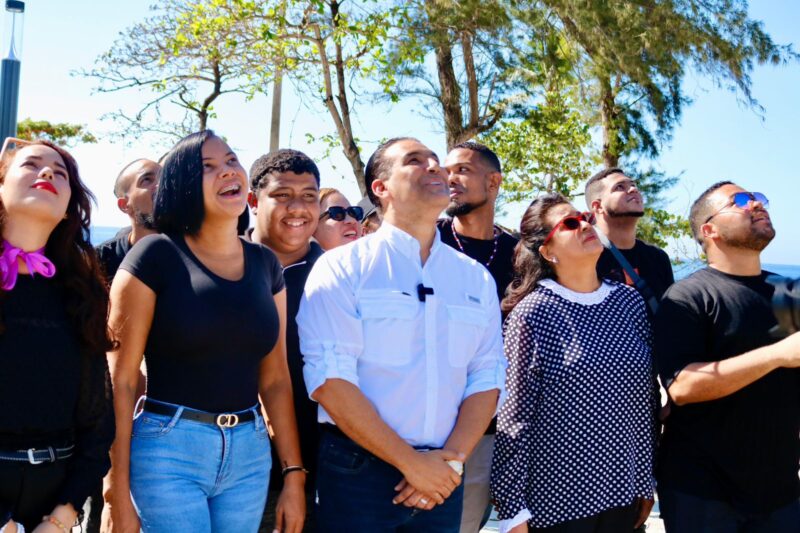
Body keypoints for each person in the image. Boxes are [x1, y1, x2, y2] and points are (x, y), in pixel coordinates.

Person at [297, 137, 506, 532]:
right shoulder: (341, 268)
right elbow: (331, 380)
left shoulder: (474, 278)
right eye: (415, 161)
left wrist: (451, 461)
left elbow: (487, 376)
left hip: (444, 475)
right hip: (358, 473)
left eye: (435, 161)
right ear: (381, 188)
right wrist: (412, 465)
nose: (435, 167)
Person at [104, 130, 305, 533]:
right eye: (207, 167)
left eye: (231, 161)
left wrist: (294, 475)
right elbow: (121, 380)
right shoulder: (154, 256)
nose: (227, 172)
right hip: (168, 451)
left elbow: (276, 378)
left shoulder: (266, 265)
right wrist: (115, 490)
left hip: (249, 454)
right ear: (180, 186)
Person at [491, 193, 657, 533]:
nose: (584, 224)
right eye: (569, 223)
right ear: (548, 251)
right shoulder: (533, 312)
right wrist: (511, 511)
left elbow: (644, 402)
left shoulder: (629, 301)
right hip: (557, 505)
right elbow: (513, 418)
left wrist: (644, 479)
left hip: (624, 497)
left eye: (583, 216)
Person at [654, 181, 800, 531]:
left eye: (758, 198)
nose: (756, 205)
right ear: (709, 230)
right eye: (741, 201)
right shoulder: (687, 296)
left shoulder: (788, 292)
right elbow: (682, 386)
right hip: (703, 493)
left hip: (780, 491)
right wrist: (776, 355)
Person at [0, 138, 115, 533]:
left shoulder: (82, 292)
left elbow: (97, 423)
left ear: (69, 209)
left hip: (56, 502)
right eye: (30, 165)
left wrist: (62, 516)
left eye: (60, 172)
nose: (47, 172)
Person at [439, 141, 518, 533]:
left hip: (491, 428)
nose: (449, 178)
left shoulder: (520, 254)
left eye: (463, 170)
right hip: (424, 425)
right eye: (446, 170)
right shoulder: (427, 240)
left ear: (493, 182)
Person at [246, 148, 324, 532]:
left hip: (320, 472)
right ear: (252, 200)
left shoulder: (338, 276)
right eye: (282, 195)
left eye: (309, 196)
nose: (298, 208)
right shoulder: (220, 267)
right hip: (234, 470)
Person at [584, 167, 674, 306]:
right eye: (619, 187)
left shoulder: (658, 258)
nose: (633, 190)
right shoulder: (586, 258)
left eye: (633, 185)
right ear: (598, 206)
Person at [95, 159, 160, 283]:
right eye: (147, 180)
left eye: (165, 177)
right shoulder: (100, 261)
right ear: (124, 205)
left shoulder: (195, 252)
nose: (161, 185)